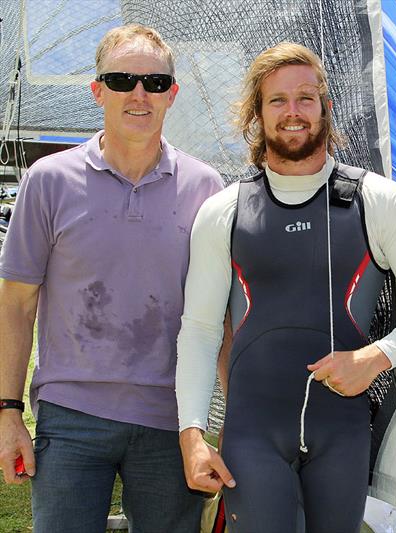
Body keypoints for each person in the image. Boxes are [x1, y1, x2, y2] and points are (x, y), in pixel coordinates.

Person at [174, 42, 396, 532]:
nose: (293, 112)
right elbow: (199, 331)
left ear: (326, 107)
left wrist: (375, 358)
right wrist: (192, 436)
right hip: (253, 437)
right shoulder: (223, 212)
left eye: (306, 98)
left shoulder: (380, 201)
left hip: (344, 437)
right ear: (256, 115)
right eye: (277, 101)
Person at [0, 24, 223, 532]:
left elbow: (219, 312)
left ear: (173, 94)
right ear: (98, 90)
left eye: (155, 82)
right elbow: (15, 304)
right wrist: (8, 410)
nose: (139, 94)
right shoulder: (47, 180)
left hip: (172, 419)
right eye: (122, 79)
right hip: (70, 416)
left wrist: (225, 421)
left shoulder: (205, 186)